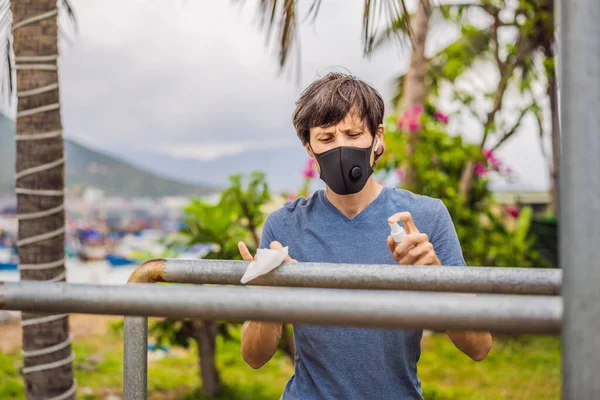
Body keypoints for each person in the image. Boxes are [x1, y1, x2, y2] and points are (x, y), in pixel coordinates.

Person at [237, 72, 492, 400]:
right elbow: (254, 357)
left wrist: (435, 276)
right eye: (326, 139)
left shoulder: (424, 219)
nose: (341, 147)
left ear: (378, 137)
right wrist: (269, 300)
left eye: (354, 133)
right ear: (308, 148)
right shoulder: (284, 226)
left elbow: (479, 346)